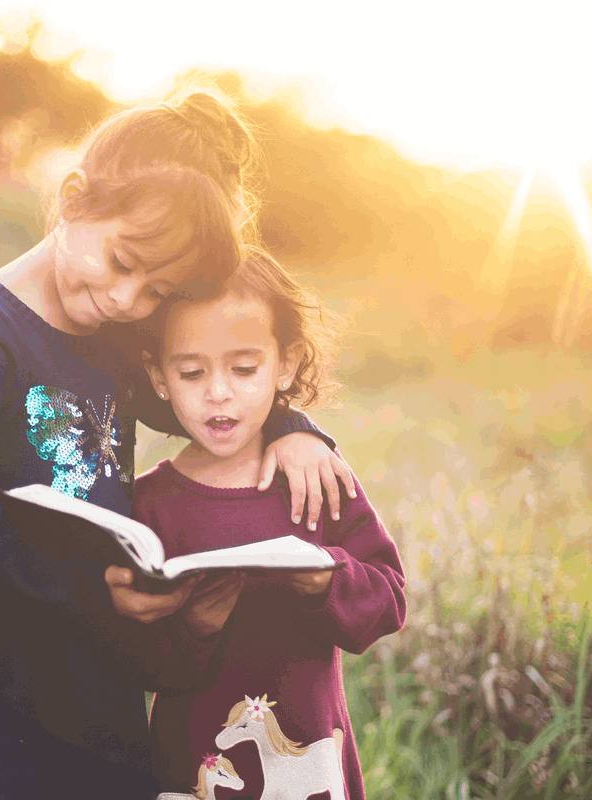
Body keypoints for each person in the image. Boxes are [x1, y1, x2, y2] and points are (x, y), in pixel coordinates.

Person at [0, 89, 354, 799]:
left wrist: (294, 430)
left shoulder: (114, 341)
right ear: (76, 199)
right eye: (122, 262)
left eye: (157, 292)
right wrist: (93, 592)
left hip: (98, 652)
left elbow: (210, 410)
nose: (127, 300)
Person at [136, 248, 407, 799]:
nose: (218, 391)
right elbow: (133, 660)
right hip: (194, 766)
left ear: (284, 363)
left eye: (243, 368)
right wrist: (194, 627)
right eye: (191, 371)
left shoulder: (315, 478)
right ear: (158, 376)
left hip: (307, 764)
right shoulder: (148, 505)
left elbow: (388, 602)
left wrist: (327, 578)